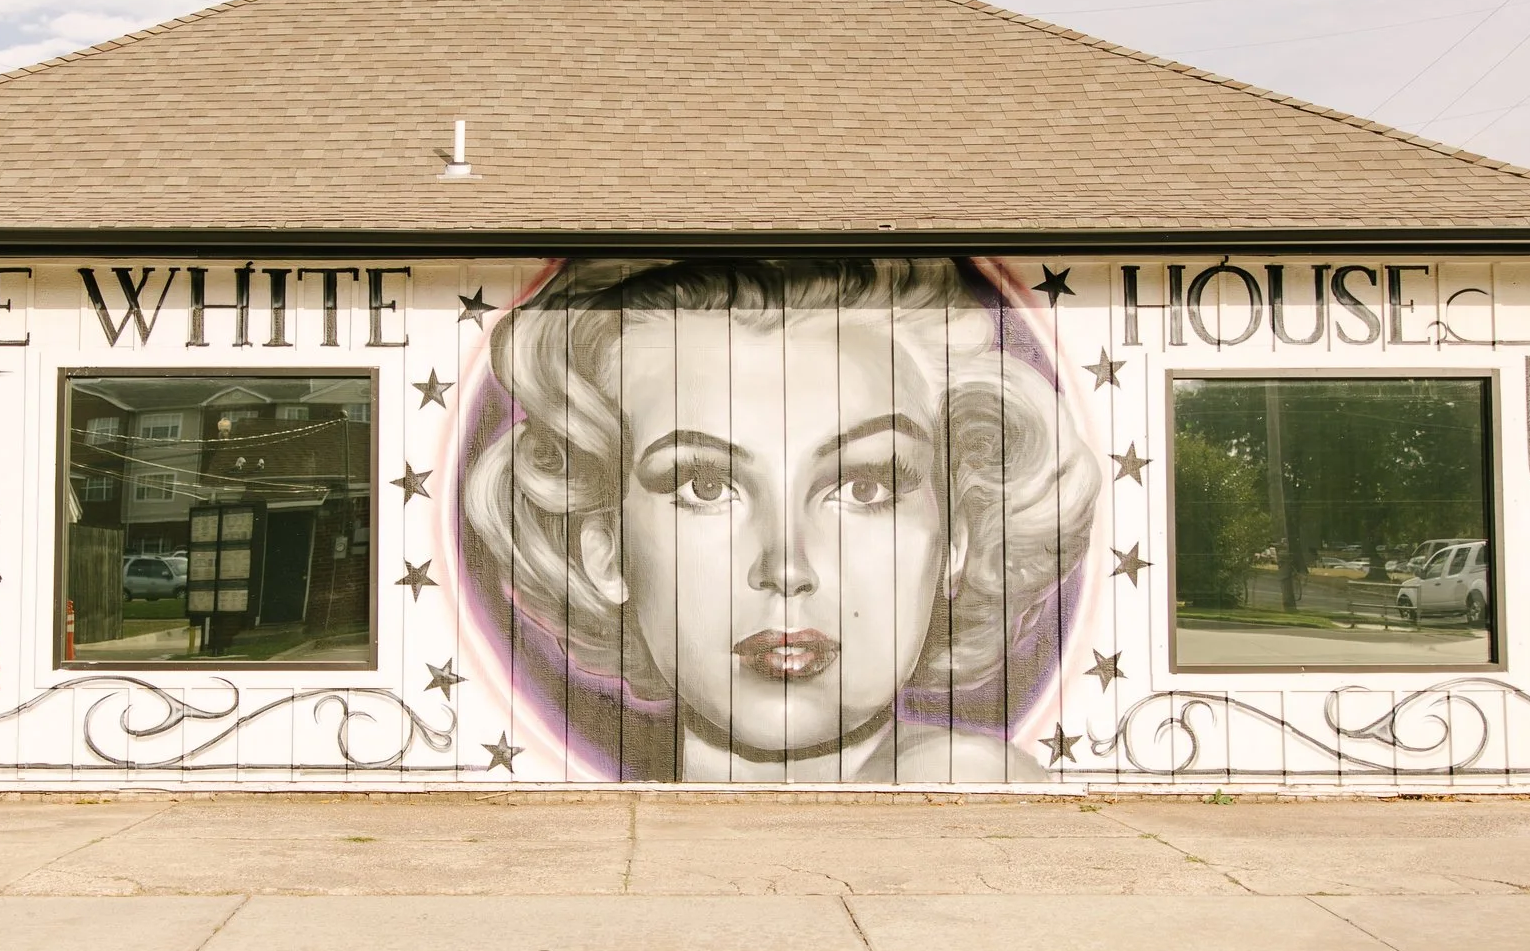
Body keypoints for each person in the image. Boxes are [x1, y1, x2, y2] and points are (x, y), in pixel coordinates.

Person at [461, 258, 1099, 782]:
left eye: (866, 484)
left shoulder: (978, 785)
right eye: (706, 486)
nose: (787, 568)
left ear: (956, 540)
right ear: (605, 553)